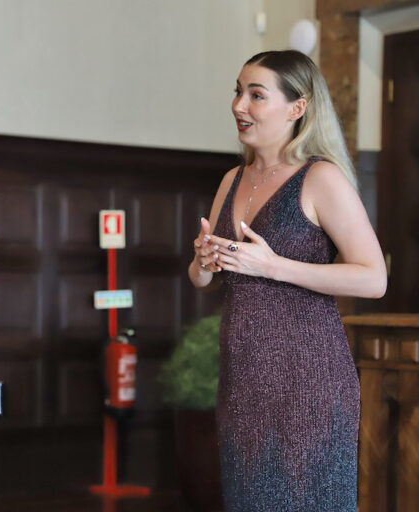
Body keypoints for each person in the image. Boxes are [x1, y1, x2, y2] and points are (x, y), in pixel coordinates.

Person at [188, 50, 386, 511]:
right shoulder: (231, 179)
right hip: (242, 381)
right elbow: (201, 279)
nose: (239, 105)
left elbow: (374, 278)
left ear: (297, 108)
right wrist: (203, 261)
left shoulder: (321, 178)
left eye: (257, 95)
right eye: (238, 91)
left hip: (308, 382)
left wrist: (273, 265)